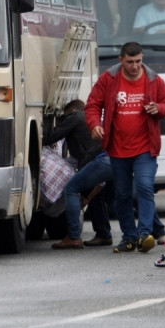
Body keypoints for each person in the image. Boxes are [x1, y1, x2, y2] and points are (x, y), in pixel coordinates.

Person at [85, 42, 165, 254]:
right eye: (130, 62)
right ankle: (129, 237)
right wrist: (95, 124)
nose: (135, 66)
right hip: (117, 149)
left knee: (144, 187)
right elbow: (93, 104)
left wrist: (158, 108)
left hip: (145, 148)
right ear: (121, 60)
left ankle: (145, 234)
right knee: (122, 194)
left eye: (138, 62)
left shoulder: (153, 79)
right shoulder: (109, 78)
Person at [42, 99, 114, 249]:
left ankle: (74, 237)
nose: (64, 120)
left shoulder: (76, 117)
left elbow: (51, 137)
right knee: (106, 199)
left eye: (64, 116)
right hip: (113, 159)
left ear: (71, 111)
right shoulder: (88, 123)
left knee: (71, 189)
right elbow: (75, 158)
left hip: (99, 161)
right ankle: (104, 234)